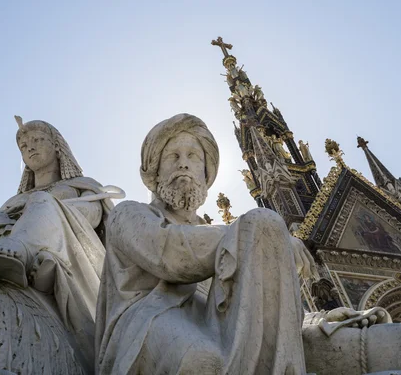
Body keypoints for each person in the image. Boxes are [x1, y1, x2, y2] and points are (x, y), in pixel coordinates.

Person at [95, 113, 315, 374]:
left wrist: (319, 320)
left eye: (193, 157)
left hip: (215, 318)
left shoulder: (215, 234)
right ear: (154, 170)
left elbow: (258, 304)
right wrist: (257, 234)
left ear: (205, 172)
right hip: (149, 320)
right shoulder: (128, 214)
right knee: (203, 361)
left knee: (362, 341)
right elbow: (171, 254)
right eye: (173, 157)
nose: (184, 164)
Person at [0, 116, 122, 367]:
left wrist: (48, 210)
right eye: (24, 146)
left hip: (53, 241)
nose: (30, 147)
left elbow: (92, 217)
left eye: (38, 140)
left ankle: (23, 255)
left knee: (42, 201)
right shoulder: (12, 201)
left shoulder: (83, 186)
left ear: (57, 147)